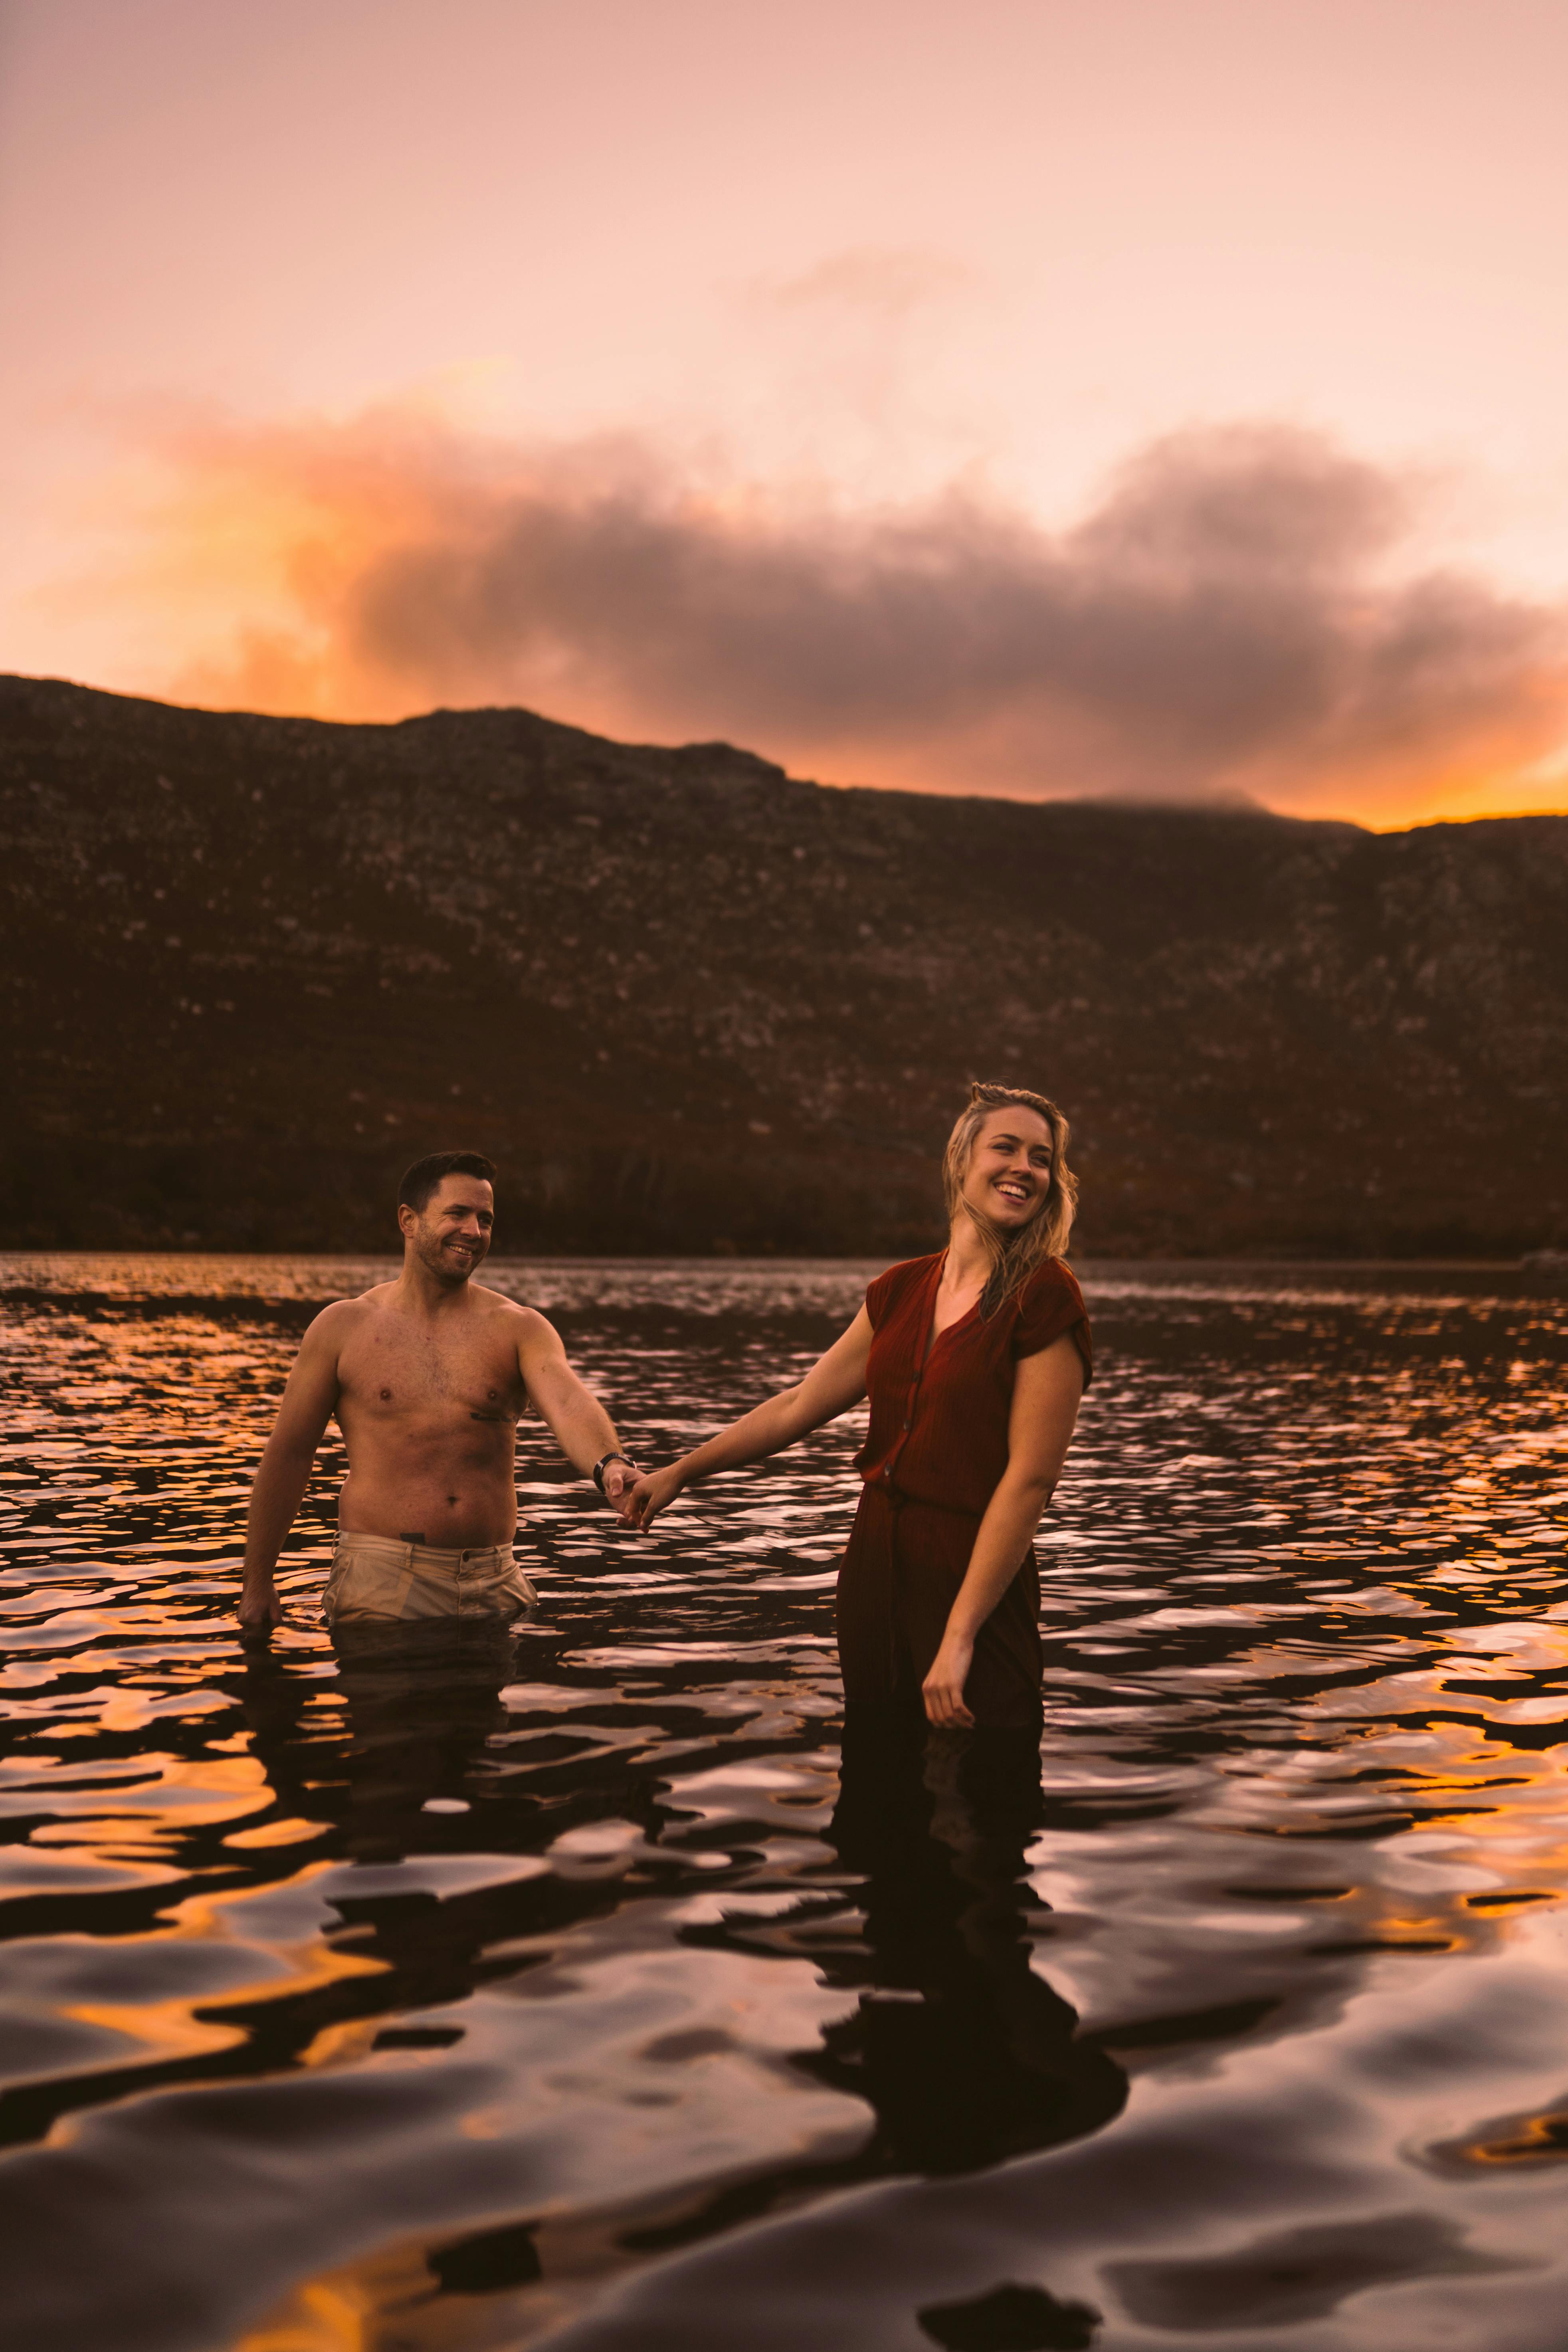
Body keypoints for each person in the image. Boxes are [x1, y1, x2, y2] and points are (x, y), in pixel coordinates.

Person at [623, 1083, 1092, 1732]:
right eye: (1005, 1147)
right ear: (960, 1160)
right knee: (874, 1779)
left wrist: (958, 1636)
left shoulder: (1045, 1296)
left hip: (971, 1576)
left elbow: (1031, 1480)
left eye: (1040, 1157)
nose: (1023, 1168)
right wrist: (680, 1472)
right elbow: (797, 1404)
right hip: (871, 1567)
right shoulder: (899, 1289)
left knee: (988, 1785)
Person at [237, 1151, 637, 1633]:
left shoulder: (519, 1328)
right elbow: (290, 1453)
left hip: (496, 1578)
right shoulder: (343, 1328)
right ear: (409, 1220)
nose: (474, 1231)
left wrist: (609, 1463)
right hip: (382, 1578)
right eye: (458, 1214)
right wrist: (257, 1583)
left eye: (485, 1219)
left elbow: (569, 1403)